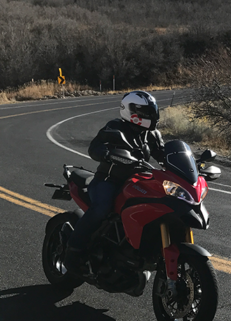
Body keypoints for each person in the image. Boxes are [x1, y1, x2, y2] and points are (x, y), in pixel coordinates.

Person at [64, 90, 166, 273]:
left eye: (152, 111)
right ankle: (73, 250)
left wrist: (187, 165)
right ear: (131, 111)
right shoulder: (115, 128)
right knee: (102, 207)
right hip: (108, 181)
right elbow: (94, 147)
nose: (151, 115)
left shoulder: (152, 135)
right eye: (146, 111)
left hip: (136, 182)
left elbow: (164, 155)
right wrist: (107, 153)